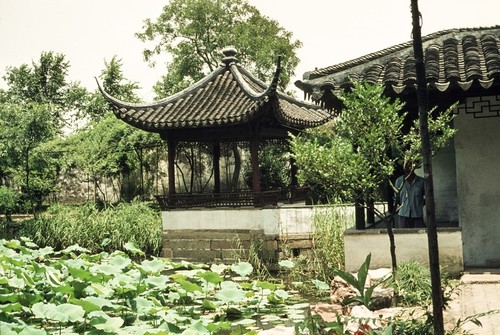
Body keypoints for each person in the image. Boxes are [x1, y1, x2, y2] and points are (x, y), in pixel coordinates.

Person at [394, 161, 425, 228]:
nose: (409, 167)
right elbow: (397, 198)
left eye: (411, 165)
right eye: (406, 165)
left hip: (417, 215)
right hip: (403, 215)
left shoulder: (421, 181)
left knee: (419, 236)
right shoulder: (399, 181)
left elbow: (426, 198)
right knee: (404, 236)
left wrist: (419, 204)